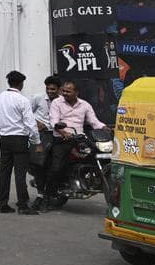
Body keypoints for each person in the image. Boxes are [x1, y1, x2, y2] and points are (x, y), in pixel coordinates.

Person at [39, 80, 107, 210]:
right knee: (56, 168)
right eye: (63, 91)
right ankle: (46, 198)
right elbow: (54, 121)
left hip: (79, 139)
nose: (64, 93)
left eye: (68, 91)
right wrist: (62, 131)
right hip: (62, 139)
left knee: (95, 156)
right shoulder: (56, 103)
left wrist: (104, 128)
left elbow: (94, 121)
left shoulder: (85, 105)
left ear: (76, 92)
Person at [0, 71, 40, 215]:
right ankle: (23, 205)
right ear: (21, 84)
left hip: (5, 138)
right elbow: (30, 123)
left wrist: (3, 130)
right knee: (20, 173)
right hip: (19, 139)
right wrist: (36, 141)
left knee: (4, 172)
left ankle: (2, 203)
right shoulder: (22, 100)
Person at [29, 76, 60, 194]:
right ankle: (40, 192)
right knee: (39, 163)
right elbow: (27, 113)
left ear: (59, 89)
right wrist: (37, 123)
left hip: (56, 134)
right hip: (41, 134)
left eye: (53, 89)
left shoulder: (62, 101)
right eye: (48, 89)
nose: (50, 91)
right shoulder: (38, 98)